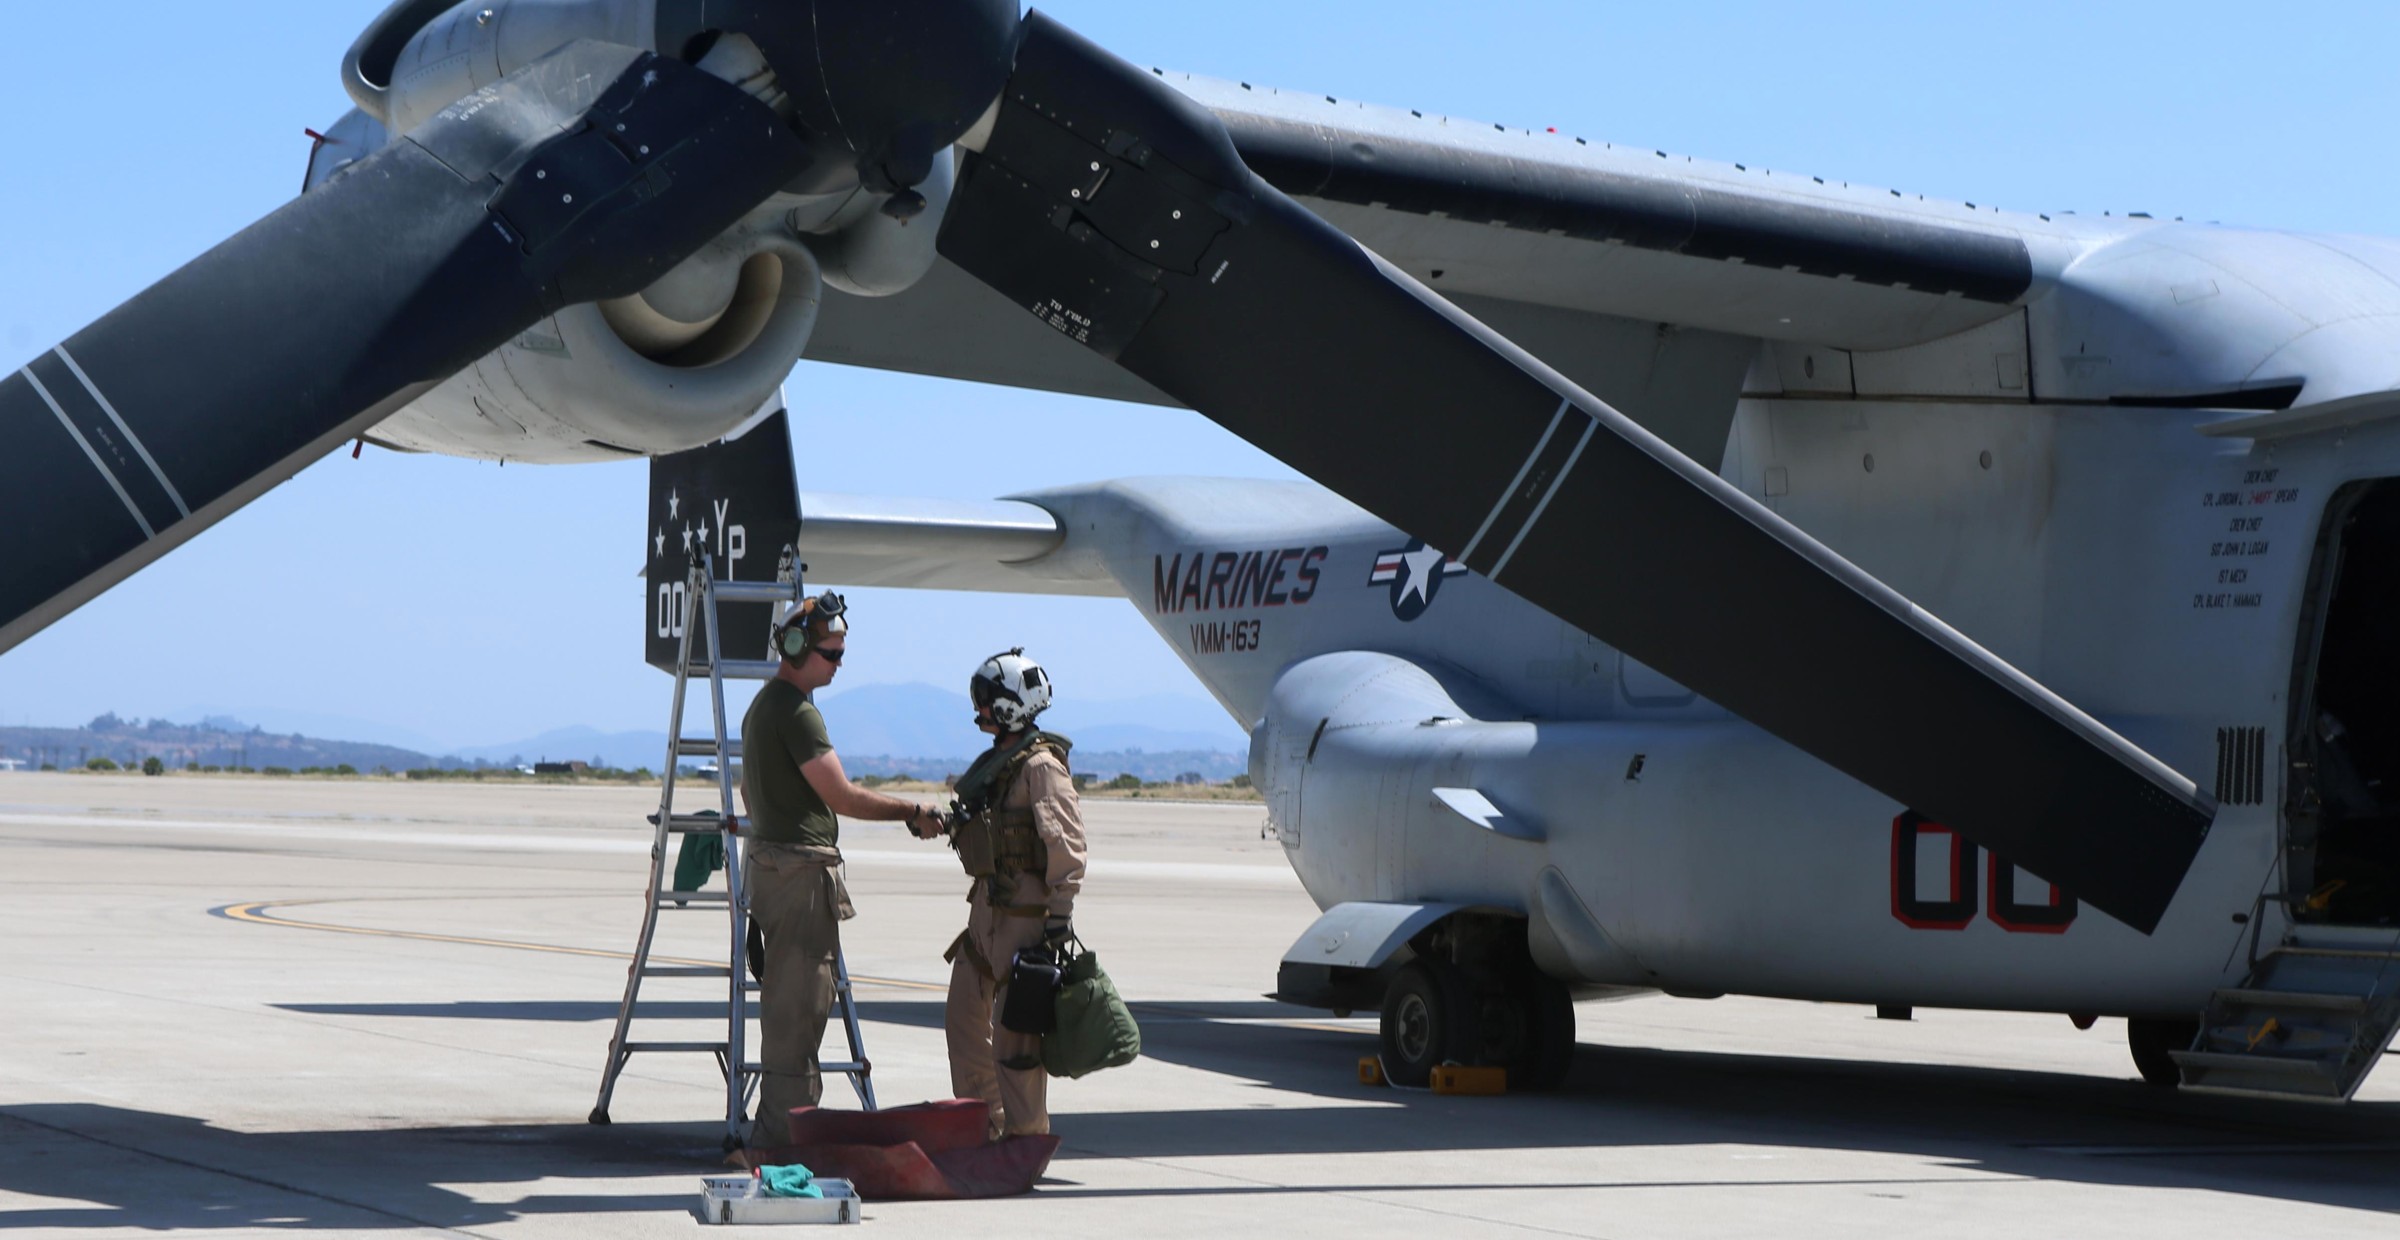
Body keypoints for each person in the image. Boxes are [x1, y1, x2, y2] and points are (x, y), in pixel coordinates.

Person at [741, 591, 945, 1149]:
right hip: (801, 879)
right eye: (831, 654)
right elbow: (844, 797)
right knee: (798, 1017)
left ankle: (779, 1135)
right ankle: (781, 1144)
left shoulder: (764, 708)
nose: (838, 663)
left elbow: (750, 794)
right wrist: (912, 811)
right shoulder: (797, 713)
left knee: (790, 1009)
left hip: (775, 872)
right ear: (798, 647)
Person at [914, 648, 1087, 1142]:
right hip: (987, 915)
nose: (981, 710)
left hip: (1024, 921)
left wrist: (1059, 916)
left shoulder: (1041, 768)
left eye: (988, 700)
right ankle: (986, 1128)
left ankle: (1027, 1140)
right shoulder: (999, 765)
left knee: (1016, 1044)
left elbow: (1068, 847)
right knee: (963, 1025)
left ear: (1013, 703)